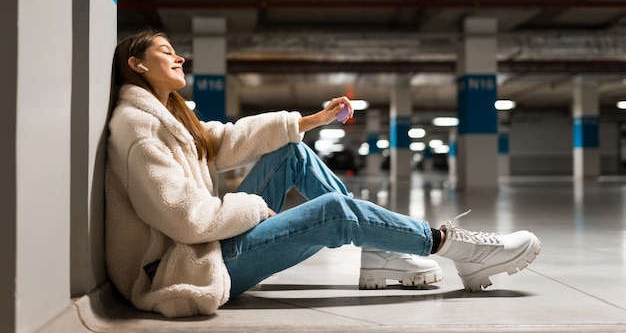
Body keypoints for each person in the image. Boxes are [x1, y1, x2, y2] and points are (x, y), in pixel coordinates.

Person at [105, 30, 541, 318]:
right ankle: (454, 247)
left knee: (291, 152)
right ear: (138, 65)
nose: (179, 57)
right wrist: (254, 207)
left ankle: (377, 250)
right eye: (166, 52)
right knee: (332, 212)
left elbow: (222, 140)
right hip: (187, 268)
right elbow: (185, 219)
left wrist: (312, 120)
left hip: (202, 248)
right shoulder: (138, 128)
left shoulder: (167, 116)